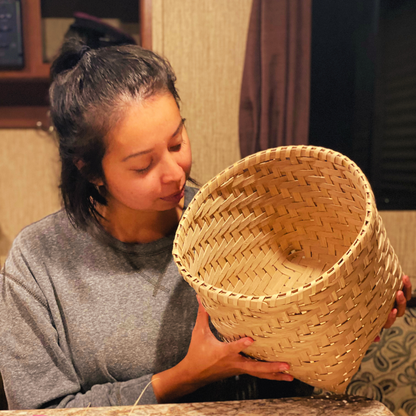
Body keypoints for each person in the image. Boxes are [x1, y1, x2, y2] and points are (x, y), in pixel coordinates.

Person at [0, 40, 412, 410]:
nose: (175, 174)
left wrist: (354, 313)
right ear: (90, 170)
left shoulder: (233, 227)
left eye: (177, 143)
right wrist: (185, 375)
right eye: (143, 165)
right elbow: (40, 410)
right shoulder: (38, 261)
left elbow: (290, 378)